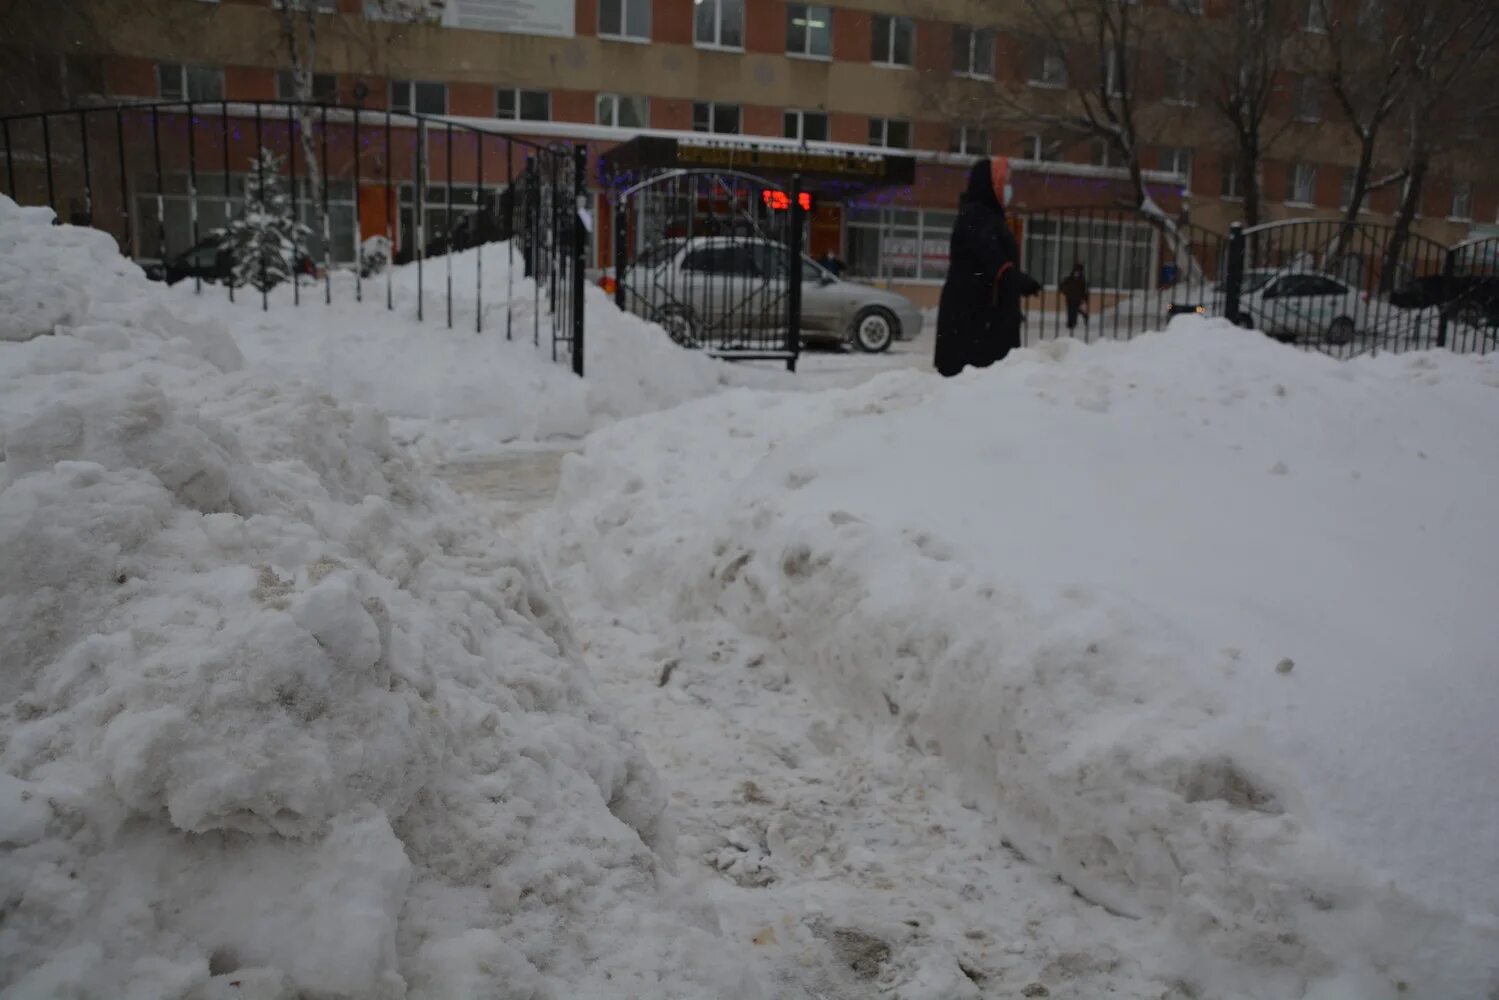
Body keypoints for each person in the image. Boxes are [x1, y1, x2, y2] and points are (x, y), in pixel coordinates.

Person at [934, 156, 1041, 377]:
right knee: (975, 390)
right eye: (1006, 182)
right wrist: (1014, 278)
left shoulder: (990, 216)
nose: (1009, 188)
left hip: (984, 318)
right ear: (991, 183)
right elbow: (989, 256)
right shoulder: (976, 215)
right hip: (973, 321)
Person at [1060, 262, 1089, 333]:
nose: (1077, 272)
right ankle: (1073, 321)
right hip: (1069, 296)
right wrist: (1065, 291)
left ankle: (1072, 323)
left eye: (1078, 270)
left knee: (1074, 310)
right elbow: (1063, 284)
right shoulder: (1070, 277)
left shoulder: (1082, 279)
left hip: (1077, 297)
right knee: (1071, 309)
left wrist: (1085, 298)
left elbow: (1084, 289)